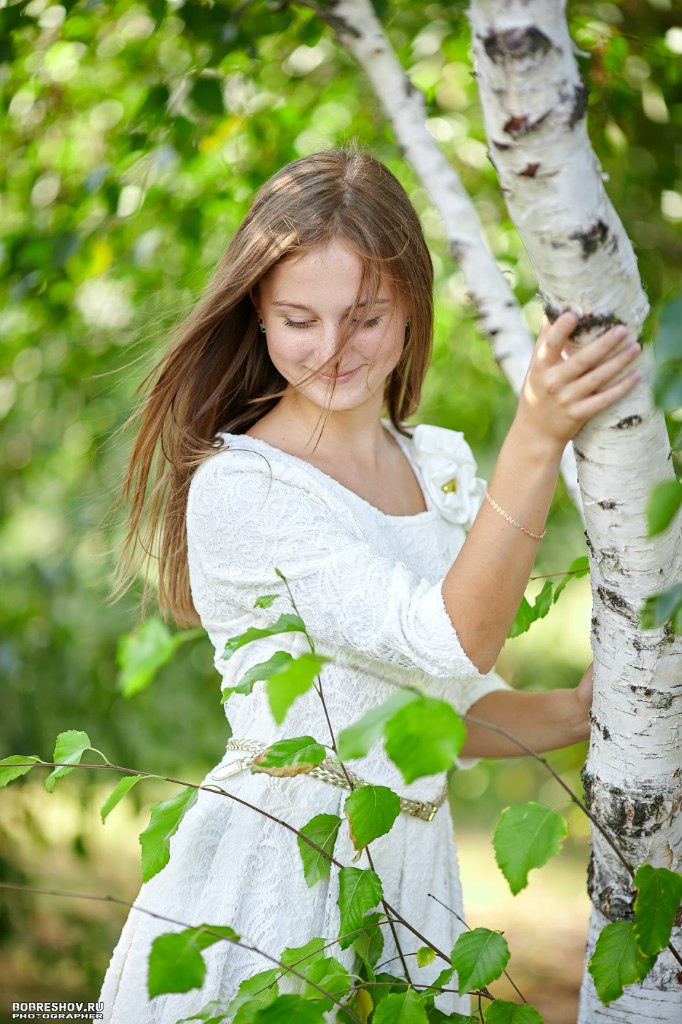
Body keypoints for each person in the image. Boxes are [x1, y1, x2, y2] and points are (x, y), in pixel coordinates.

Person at [98, 146, 641, 1021]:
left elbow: (440, 715)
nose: (331, 350)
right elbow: (449, 635)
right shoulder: (243, 488)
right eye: (298, 320)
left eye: (364, 317)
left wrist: (590, 711)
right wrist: (536, 438)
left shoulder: (439, 466)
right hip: (278, 880)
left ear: (411, 309)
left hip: (411, 888)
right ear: (259, 317)